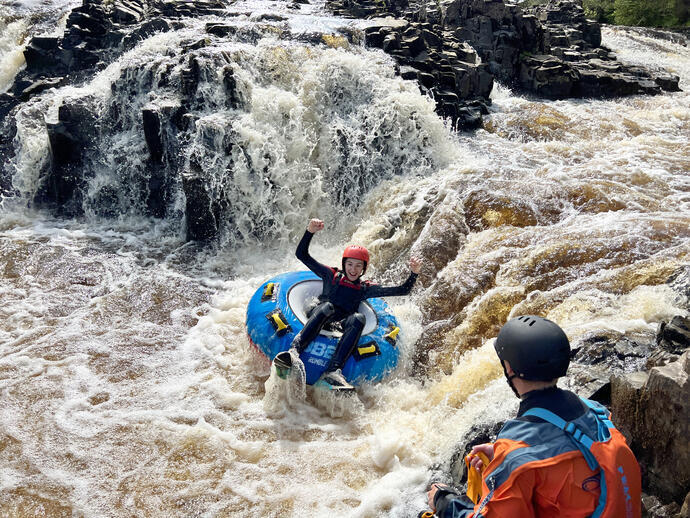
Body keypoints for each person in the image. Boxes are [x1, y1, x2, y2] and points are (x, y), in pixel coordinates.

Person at [426, 315, 642, 518]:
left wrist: (444, 500)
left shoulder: (517, 457)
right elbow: (566, 454)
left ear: (509, 369)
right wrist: (502, 456)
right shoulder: (597, 411)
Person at [273, 218, 422, 391]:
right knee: (328, 307)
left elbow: (402, 290)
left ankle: (334, 371)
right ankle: (295, 350)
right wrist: (310, 232)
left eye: (358, 266)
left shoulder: (365, 288)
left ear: (363, 269)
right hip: (318, 314)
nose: (353, 269)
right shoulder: (331, 275)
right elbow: (302, 255)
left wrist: (414, 273)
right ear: (344, 264)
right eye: (350, 264)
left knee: (358, 318)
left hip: (339, 324)